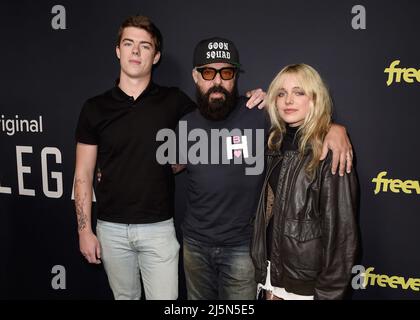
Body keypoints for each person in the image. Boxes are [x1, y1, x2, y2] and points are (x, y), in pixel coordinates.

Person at [73, 16, 265, 300]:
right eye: (129, 44)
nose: (136, 52)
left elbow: (216, 111)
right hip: (110, 229)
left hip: (159, 229)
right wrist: (84, 230)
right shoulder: (94, 108)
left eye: (145, 46)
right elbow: (82, 174)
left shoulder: (176, 103)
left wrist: (257, 97)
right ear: (118, 50)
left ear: (156, 55)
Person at [177, 38, 354, 300]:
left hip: (244, 248)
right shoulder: (185, 124)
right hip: (196, 245)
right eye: (207, 72)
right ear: (195, 76)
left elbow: (304, 124)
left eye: (226, 73)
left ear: (235, 76)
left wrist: (335, 129)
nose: (217, 81)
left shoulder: (258, 115)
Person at [250, 63, 358, 300]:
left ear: (315, 99)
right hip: (270, 273)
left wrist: (329, 294)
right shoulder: (273, 144)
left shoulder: (330, 151)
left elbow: (342, 235)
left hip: (307, 286)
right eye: (281, 93)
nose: (288, 100)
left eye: (299, 92)